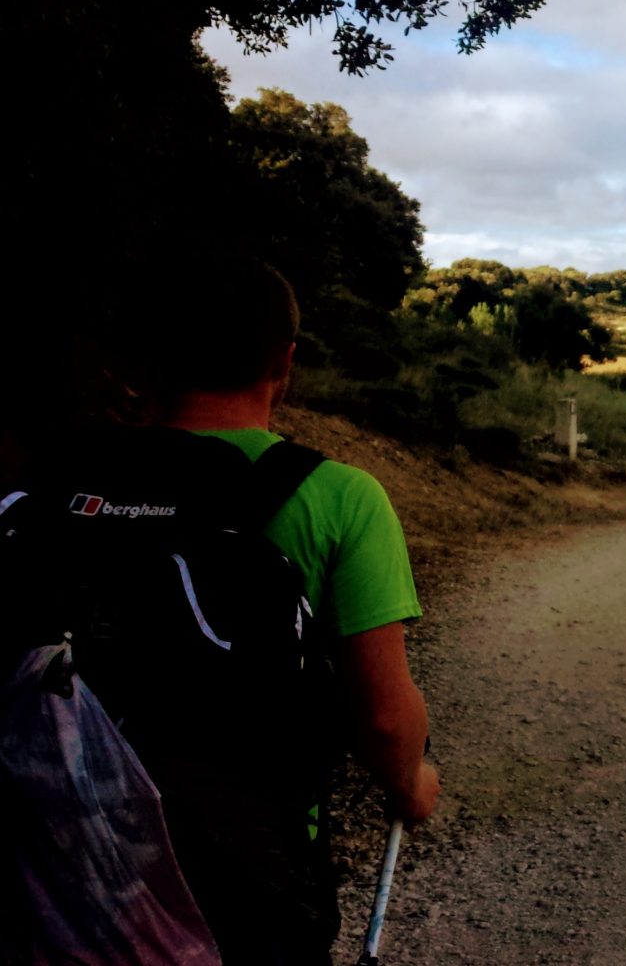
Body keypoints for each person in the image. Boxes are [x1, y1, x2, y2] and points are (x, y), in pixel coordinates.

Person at [23, 259, 440, 963]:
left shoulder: (53, 480)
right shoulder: (340, 497)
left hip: (44, 856)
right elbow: (382, 718)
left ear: (155, 357)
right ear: (286, 360)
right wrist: (413, 785)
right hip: (240, 877)